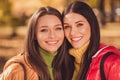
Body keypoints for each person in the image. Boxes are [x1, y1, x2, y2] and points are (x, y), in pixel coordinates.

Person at [0, 6, 71, 80]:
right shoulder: (18, 70)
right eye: (44, 30)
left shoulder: (66, 66)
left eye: (58, 28)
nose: (52, 35)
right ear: (34, 34)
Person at [62, 1, 120, 80]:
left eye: (79, 24)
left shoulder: (112, 63)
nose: (72, 32)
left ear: (91, 25)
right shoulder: (64, 63)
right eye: (67, 27)